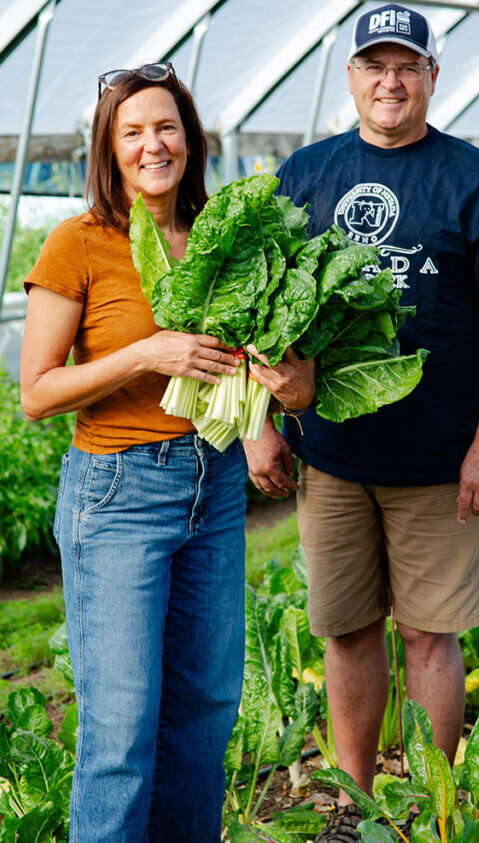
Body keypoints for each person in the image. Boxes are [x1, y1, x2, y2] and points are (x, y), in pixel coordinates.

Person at [243, 4, 479, 840]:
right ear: (349, 77)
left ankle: (431, 803)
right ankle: (353, 801)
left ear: (430, 79)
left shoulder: (475, 180)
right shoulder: (303, 175)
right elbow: (258, 312)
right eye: (374, 65)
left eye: (406, 66)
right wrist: (255, 424)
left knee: (428, 633)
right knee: (345, 630)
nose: (389, 81)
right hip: (331, 455)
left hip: (440, 460)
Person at [20, 64, 314, 843]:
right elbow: (38, 392)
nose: (154, 144)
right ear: (108, 150)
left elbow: (268, 363)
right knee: (120, 729)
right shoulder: (79, 242)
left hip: (212, 487)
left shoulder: (229, 233)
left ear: (191, 137)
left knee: (206, 709)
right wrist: (145, 354)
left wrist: (271, 409)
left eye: (167, 126)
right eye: (133, 132)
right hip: (116, 493)